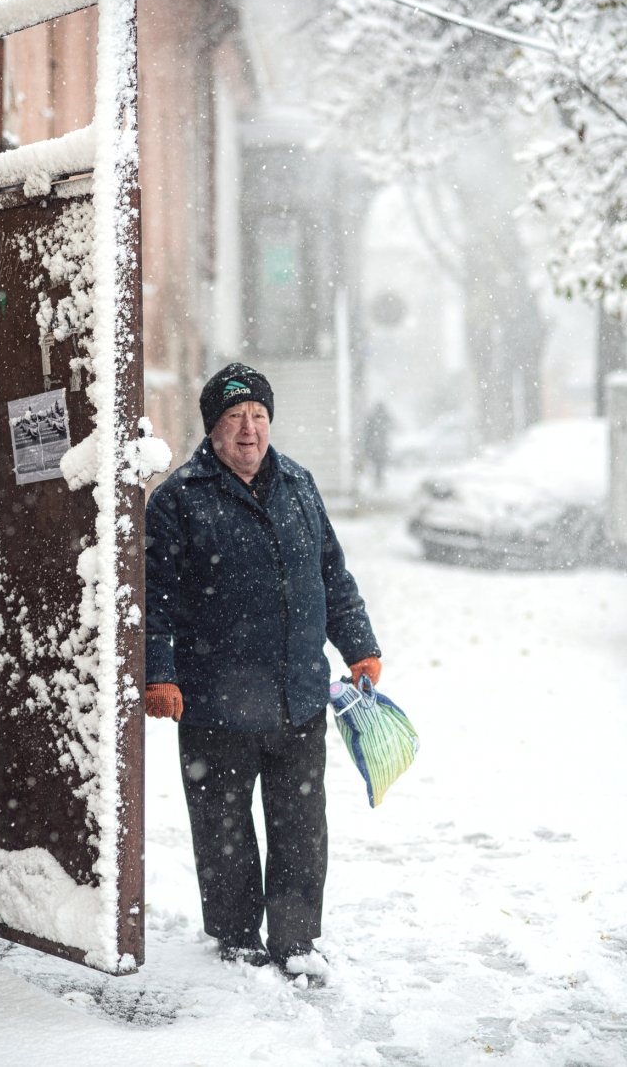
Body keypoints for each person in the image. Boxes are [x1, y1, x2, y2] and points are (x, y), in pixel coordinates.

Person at [144, 362, 382, 977]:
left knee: (301, 828)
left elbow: (333, 575)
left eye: (258, 416)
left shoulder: (299, 485)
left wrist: (358, 645)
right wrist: (159, 672)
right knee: (224, 831)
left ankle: (297, 941)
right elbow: (157, 598)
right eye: (234, 418)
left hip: (297, 697)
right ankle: (235, 941)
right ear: (212, 429)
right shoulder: (179, 501)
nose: (248, 430)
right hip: (216, 704)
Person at [363, 400, 394, 490]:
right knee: (379, 465)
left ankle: (378, 481)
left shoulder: (373, 418)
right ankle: (379, 481)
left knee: (378, 465)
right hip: (379, 446)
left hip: (376, 446)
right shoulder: (382, 418)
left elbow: (367, 432)